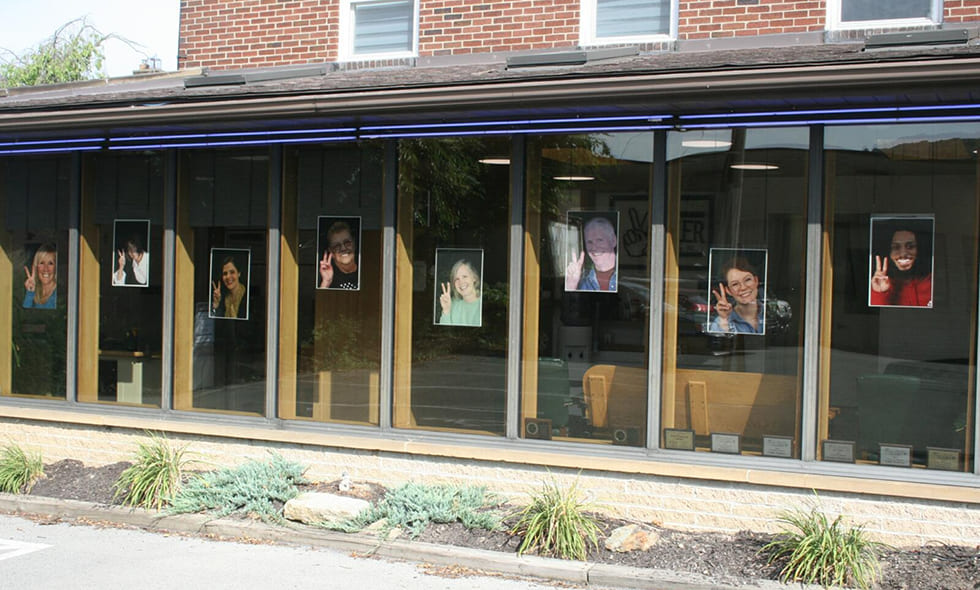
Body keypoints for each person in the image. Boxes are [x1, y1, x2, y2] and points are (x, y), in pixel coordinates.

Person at [870, 220, 933, 307]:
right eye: (896, 247)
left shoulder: (932, 281)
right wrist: (880, 293)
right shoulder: (880, 284)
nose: (903, 254)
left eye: (910, 246)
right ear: (888, 251)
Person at [709, 256, 765, 334]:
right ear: (728, 291)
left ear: (756, 281)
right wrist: (724, 320)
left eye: (747, 279)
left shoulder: (772, 312)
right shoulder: (720, 322)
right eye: (735, 284)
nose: (743, 287)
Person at [565, 216, 618, 292]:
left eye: (599, 240)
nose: (594, 248)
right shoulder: (579, 281)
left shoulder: (626, 275)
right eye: (589, 242)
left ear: (613, 241)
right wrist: (571, 286)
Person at [438, 259, 482, 326]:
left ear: (474, 278)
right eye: (457, 279)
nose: (461, 282)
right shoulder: (452, 304)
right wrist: (446, 311)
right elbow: (443, 333)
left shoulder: (486, 303)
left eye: (464, 276)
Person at [318, 221, 359, 290]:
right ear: (331, 251)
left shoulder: (366, 267)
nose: (343, 248)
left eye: (347, 242)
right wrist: (326, 282)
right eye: (337, 246)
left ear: (354, 243)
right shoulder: (326, 275)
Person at [23, 243, 57, 309]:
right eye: (42, 263)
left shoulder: (58, 295)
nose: (46, 269)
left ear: (56, 267)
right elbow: (24, 316)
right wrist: (30, 292)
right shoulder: (34, 293)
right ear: (36, 267)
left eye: (50, 263)